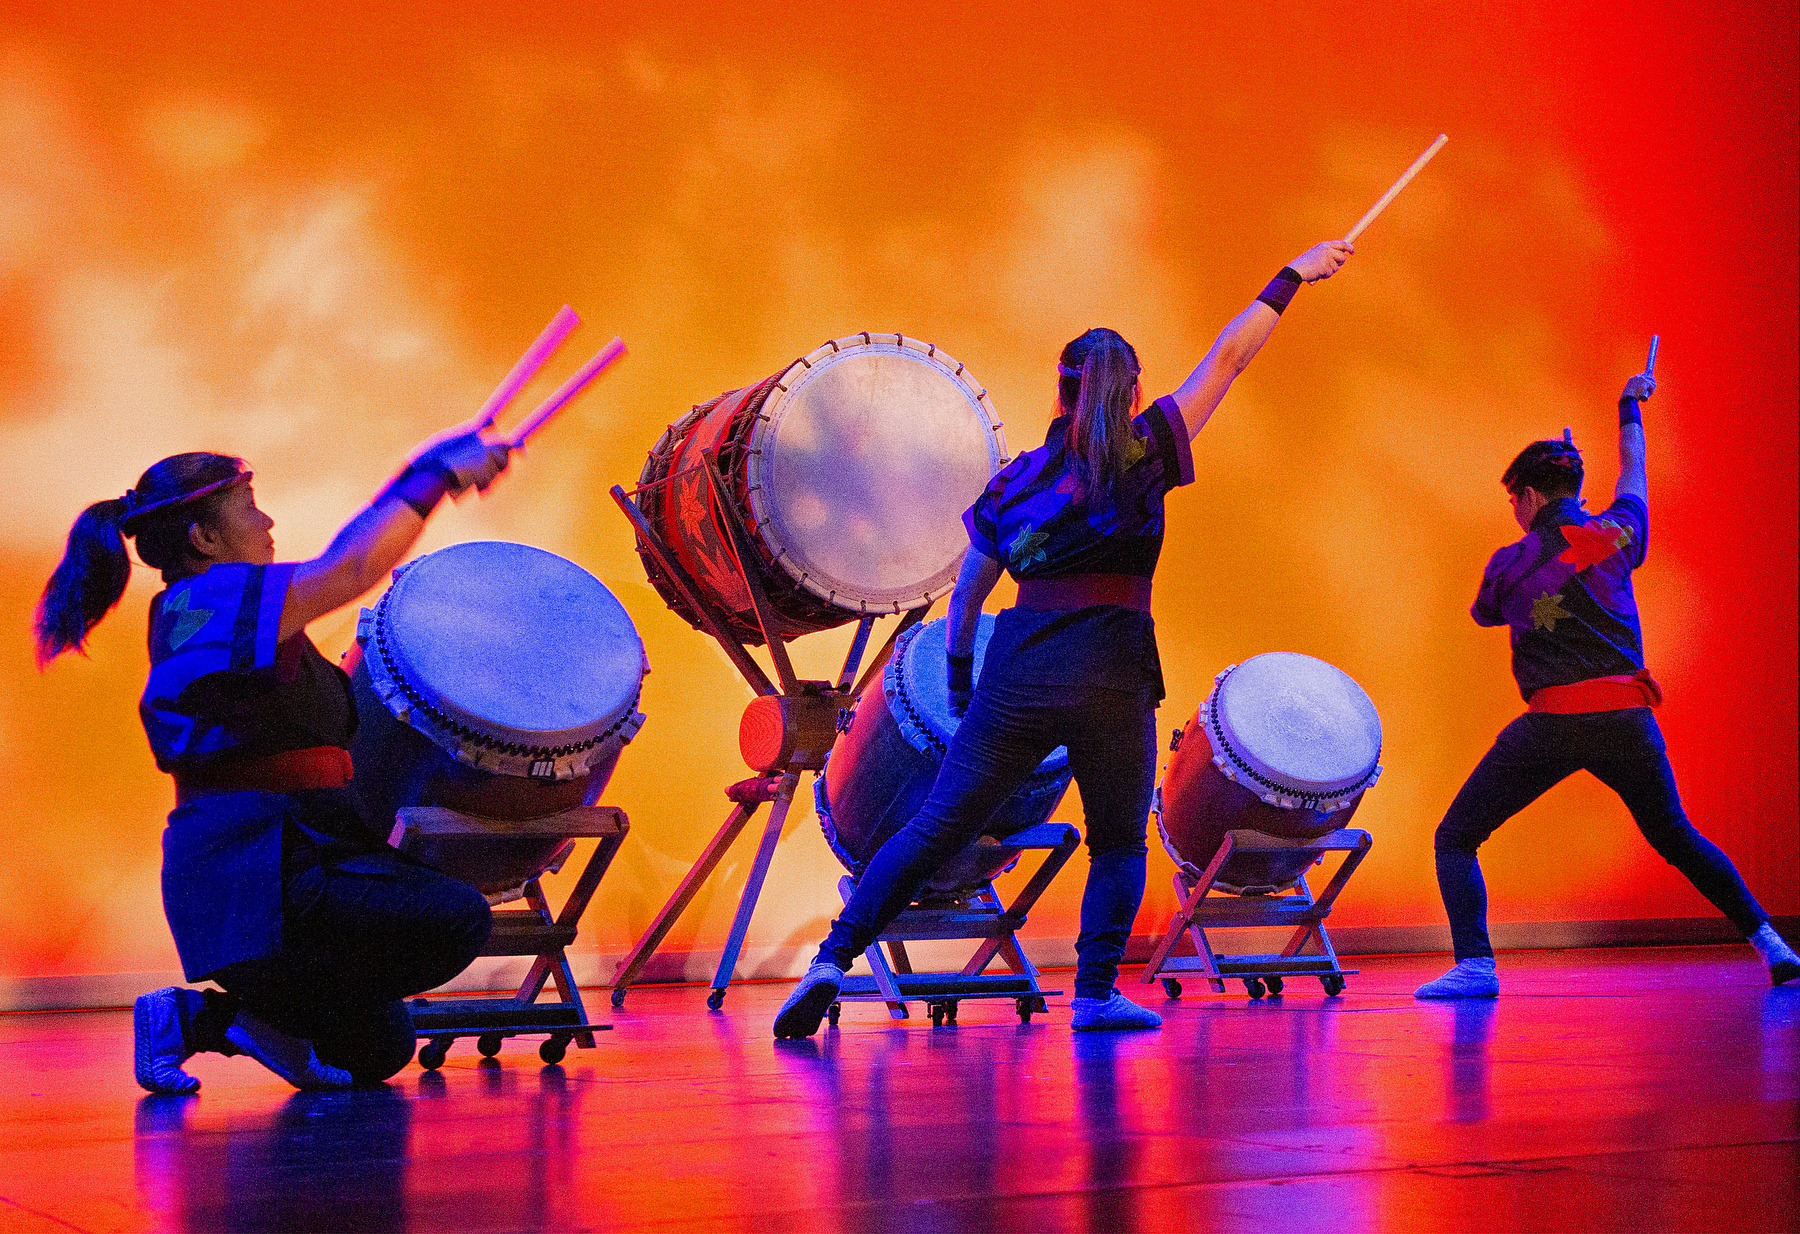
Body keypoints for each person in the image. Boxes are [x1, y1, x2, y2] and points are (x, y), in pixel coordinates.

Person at [774, 239, 1356, 1038]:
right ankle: (1091, 996)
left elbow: (972, 595)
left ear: (1062, 390)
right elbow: (1229, 360)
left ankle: (832, 961)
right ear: (1133, 391)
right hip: (1113, 673)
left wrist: (954, 676)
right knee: (1117, 843)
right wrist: (1293, 276)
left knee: (934, 826)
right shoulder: (1146, 450)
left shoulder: (1019, 480)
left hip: (1020, 671)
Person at [36, 427, 513, 1091]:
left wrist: (429, 469)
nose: (267, 520)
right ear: (203, 538)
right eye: (249, 506)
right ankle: (258, 1012)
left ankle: (200, 1020)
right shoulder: (212, 601)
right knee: (454, 918)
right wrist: (433, 478)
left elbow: (351, 553)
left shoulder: (221, 611)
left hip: (287, 864)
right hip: (261, 883)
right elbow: (352, 566)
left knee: (377, 1046)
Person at [1416, 368, 1799, 997]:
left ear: (1532, 497)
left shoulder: (1511, 564)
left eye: (1515, 499)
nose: (1513, 511)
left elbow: (1485, 611)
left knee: (1457, 836)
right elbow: (1632, 473)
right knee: (1674, 834)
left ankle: (1476, 966)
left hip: (1553, 727)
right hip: (1627, 720)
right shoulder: (1615, 535)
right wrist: (1628, 406)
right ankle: (1772, 942)